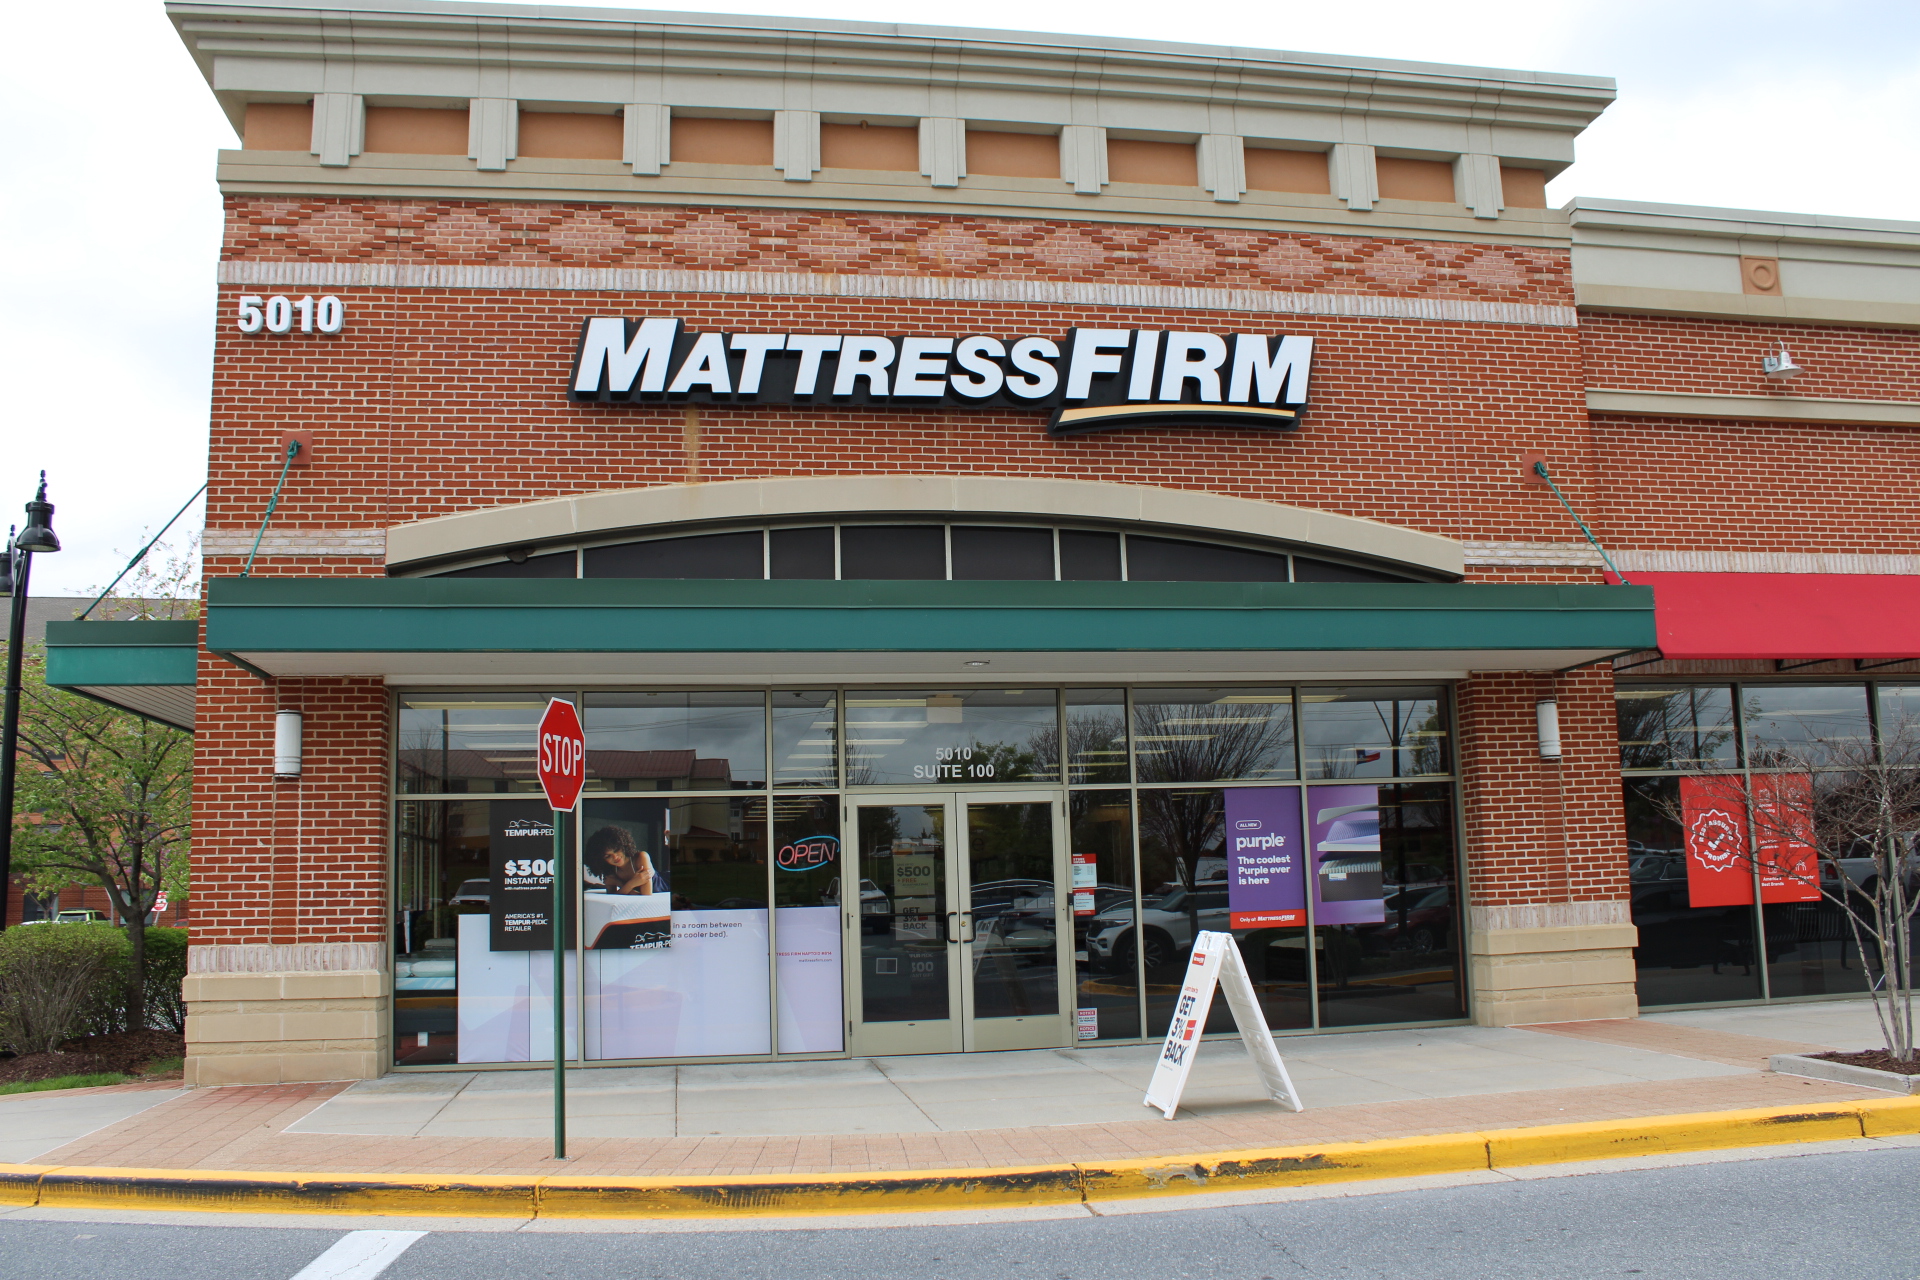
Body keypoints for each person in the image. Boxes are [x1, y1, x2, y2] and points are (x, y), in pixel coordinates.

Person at [585, 824, 658, 895]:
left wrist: (621, 884)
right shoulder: (610, 869)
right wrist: (629, 883)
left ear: (623, 846)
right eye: (608, 856)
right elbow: (612, 895)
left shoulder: (641, 857)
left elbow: (646, 895)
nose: (615, 857)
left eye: (616, 850)